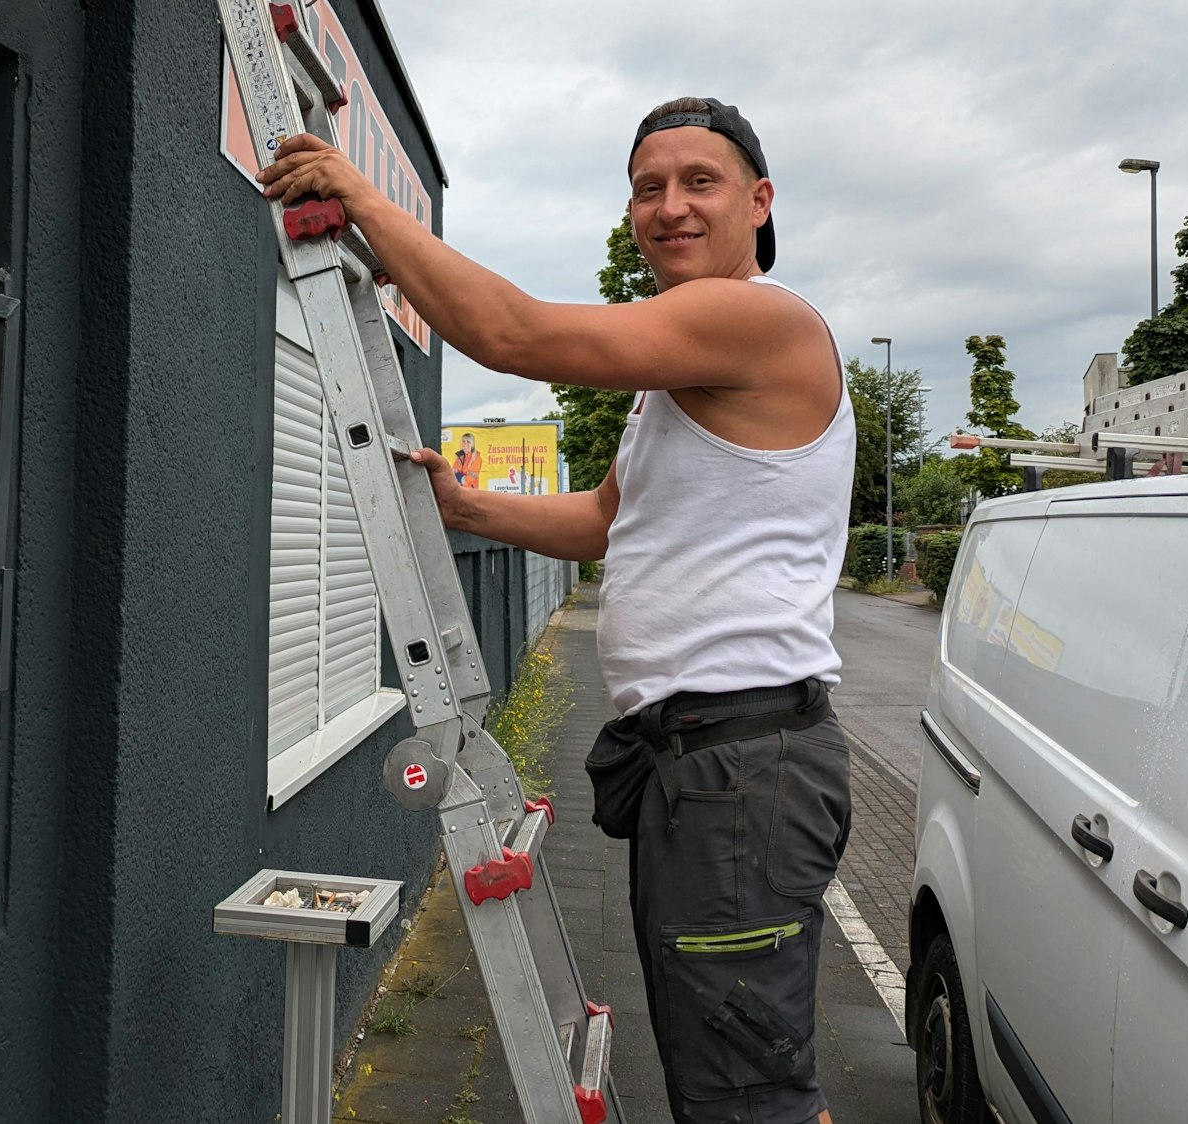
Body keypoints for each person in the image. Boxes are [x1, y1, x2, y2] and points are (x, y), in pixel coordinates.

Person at [258, 97, 853, 1124]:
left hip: (741, 769)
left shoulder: (757, 318)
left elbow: (511, 333)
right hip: (706, 765)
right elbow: (609, 523)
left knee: (744, 1096)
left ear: (758, 202)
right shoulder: (672, 379)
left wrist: (357, 195)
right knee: (722, 1076)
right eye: (646, 187)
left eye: (698, 182)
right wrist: (465, 504)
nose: (667, 205)